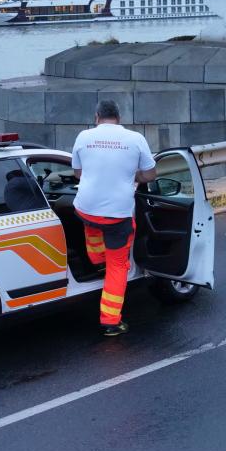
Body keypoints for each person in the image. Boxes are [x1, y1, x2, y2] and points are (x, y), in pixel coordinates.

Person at [71, 100, 157, 337]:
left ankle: (97, 259)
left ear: (96, 116)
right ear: (119, 117)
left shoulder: (83, 136)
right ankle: (110, 321)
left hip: (86, 209)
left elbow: (78, 173)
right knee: (118, 265)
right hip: (118, 214)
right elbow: (150, 174)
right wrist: (133, 175)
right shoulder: (136, 139)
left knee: (92, 222)